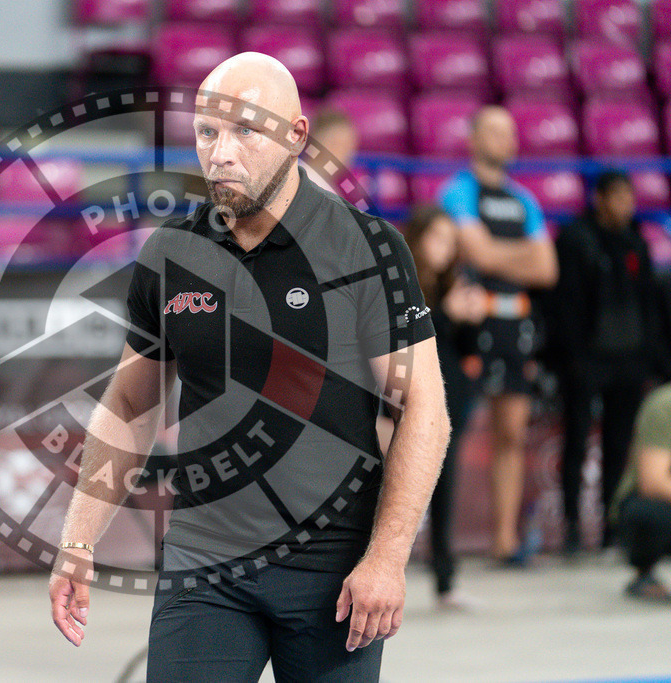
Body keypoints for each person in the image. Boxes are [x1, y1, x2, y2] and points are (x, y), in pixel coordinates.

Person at [49, 52, 450, 681]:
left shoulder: (366, 248)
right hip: (205, 563)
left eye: (245, 131)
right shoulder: (172, 256)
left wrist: (387, 558)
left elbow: (424, 408)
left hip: (333, 573)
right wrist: (78, 540)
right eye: (208, 132)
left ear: (296, 136)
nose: (221, 153)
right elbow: (130, 404)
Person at [437, 105, 558, 566]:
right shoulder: (459, 192)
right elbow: (478, 255)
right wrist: (519, 255)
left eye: (510, 132)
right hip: (471, 326)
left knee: (512, 434)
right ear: (473, 139)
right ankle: (440, 546)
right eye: (495, 132)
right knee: (449, 433)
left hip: (515, 326)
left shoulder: (524, 200)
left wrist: (499, 255)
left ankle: (504, 541)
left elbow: (546, 268)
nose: (506, 140)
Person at [551, 170, 671, 554]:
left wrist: (651, 359)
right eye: (617, 197)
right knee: (577, 437)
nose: (625, 205)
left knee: (620, 444)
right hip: (586, 360)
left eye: (629, 197)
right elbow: (566, 306)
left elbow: (648, 305)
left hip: (628, 361)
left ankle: (612, 524)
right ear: (599, 198)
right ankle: (571, 523)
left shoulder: (635, 242)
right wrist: (572, 358)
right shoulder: (576, 240)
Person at [403, 205, 488, 607]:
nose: (444, 249)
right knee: (392, 485)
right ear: (417, 240)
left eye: (450, 240)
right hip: (405, 401)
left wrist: (472, 318)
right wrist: (446, 314)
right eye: (437, 238)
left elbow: (468, 351)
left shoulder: (457, 282)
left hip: (451, 400)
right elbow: (402, 337)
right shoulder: (401, 284)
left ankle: (445, 580)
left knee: (445, 485)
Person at [609, 383, 671, 600]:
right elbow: (653, 482)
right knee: (649, 514)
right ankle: (644, 571)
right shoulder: (665, 404)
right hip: (654, 501)